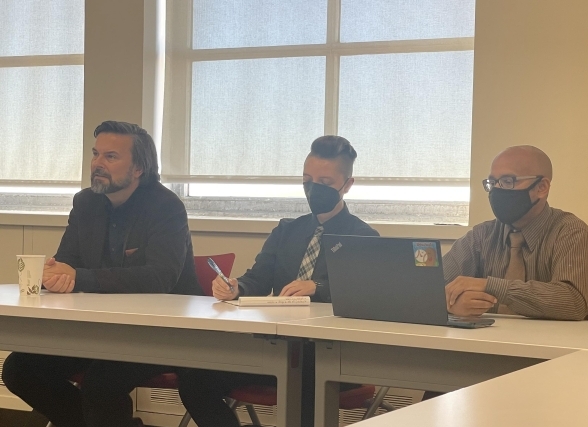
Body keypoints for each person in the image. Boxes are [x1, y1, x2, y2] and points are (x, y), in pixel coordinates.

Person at [2, 121, 201, 427]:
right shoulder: (86, 202)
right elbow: (67, 261)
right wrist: (54, 275)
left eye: (111, 156)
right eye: (95, 154)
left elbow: (160, 278)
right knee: (19, 369)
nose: (97, 163)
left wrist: (78, 277)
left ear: (138, 168)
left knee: (101, 384)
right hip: (97, 330)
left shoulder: (166, 207)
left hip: (159, 333)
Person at [178, 135, 379, 427]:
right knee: (194, 379)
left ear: (347, 185)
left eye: (325, 182)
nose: (313, 189)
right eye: (307, 180)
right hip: (275, 348)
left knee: (305, 393)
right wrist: (236, 288)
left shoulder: (363, 237)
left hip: (329, 356)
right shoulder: (287, 230)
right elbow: (258, 278)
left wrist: (318, 288)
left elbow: (366, 293)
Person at [444, 145, 588, 320]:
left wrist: (493, 287)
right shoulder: (481, 236)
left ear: (541, 187)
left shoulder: (571, 232)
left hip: (562, 338)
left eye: (508, 181)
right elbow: (428, 287)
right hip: (490, 336)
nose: (497, 190)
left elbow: (573, 302)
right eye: (493, 183)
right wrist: (449, 303)